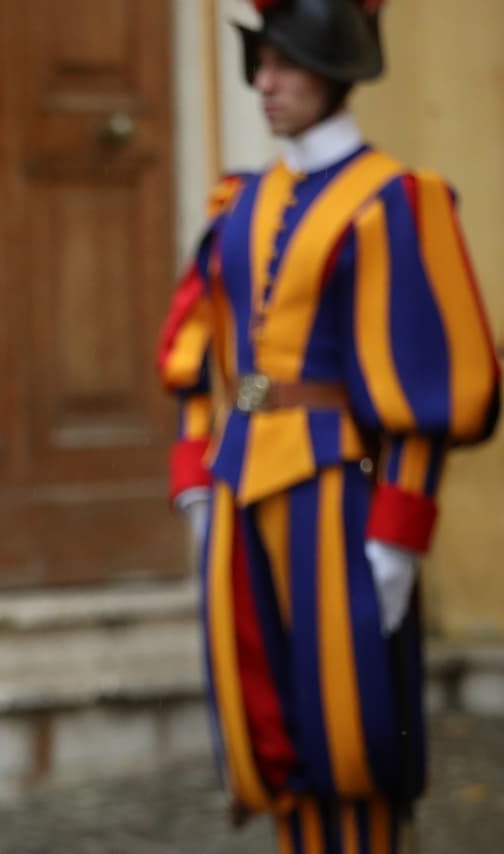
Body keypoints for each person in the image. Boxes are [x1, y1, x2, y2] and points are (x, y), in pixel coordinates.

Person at [157, 1, 499, 852]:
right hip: (241, 483)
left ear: (334, 71)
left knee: (354, 720)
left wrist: (402, 527)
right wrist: (197, 470)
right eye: (258, 63)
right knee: (267, 713)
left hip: (338, 489)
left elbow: (429, 383)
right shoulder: (239, 200)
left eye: (286, 64)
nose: (265, 83)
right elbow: (200, 348)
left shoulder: (395, 201)